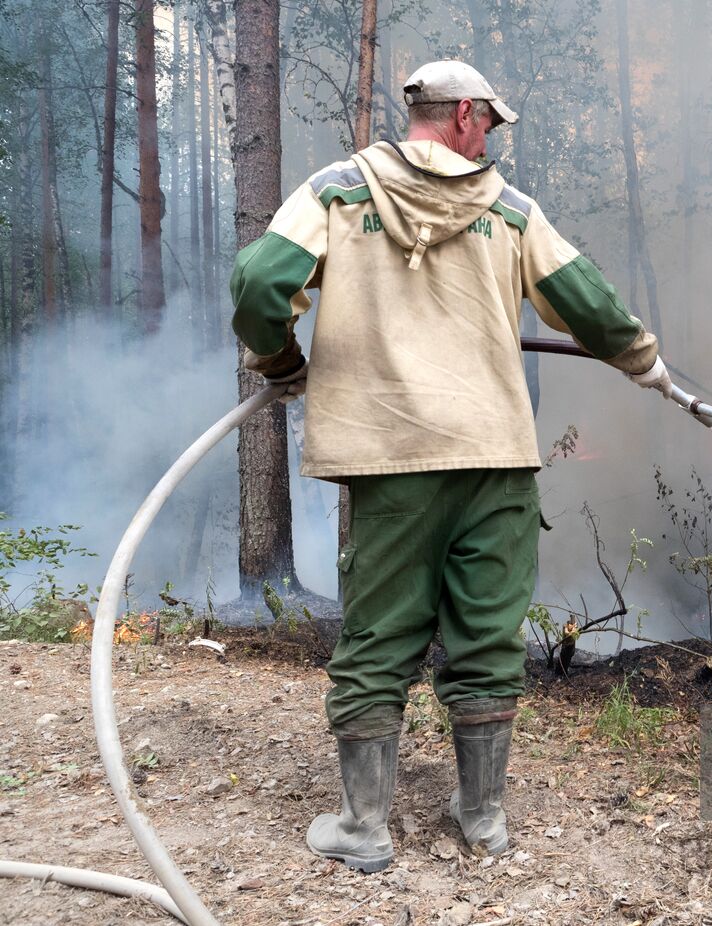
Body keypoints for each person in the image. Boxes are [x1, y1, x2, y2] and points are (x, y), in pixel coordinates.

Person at [228, 60, 672, 873]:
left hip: (389, 457)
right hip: (495, 458)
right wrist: (642, 359)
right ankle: (484, 821)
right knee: (487, 637)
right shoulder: (510, 211)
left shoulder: (337, 190)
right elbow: (590, 303)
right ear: (464, 114)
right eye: (490, 124)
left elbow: (261, 278)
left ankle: (365, 828)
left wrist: (278, 359)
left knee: (379, 637)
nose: (493, 138)